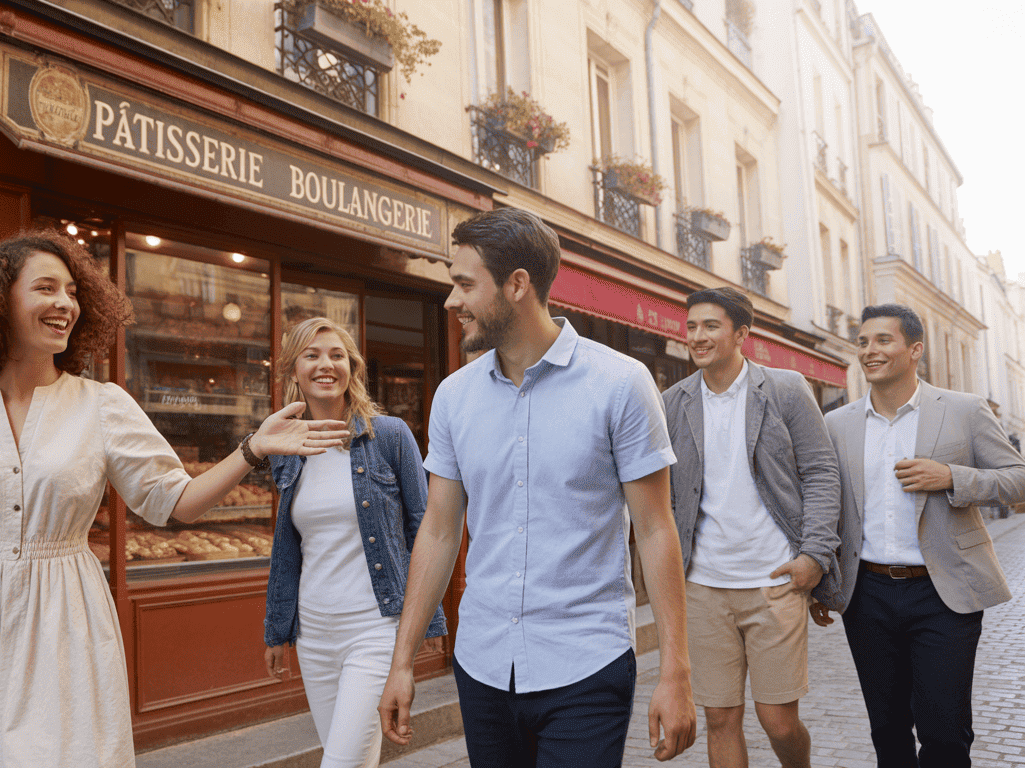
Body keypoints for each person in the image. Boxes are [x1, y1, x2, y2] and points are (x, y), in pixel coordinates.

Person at [0, 231, 349, 768]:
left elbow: (175, 502)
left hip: (70, 622)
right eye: (46, 288)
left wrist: (252, 447)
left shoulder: (101, 404)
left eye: (72, 291)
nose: (64, 303)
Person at [377, 207, 696, 766]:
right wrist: (402, 660)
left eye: (464, 284)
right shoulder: (454, 396)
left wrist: (676, 672)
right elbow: (438, 531)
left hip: (587, 662)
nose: (451, 301)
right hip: (482, 662)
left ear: (517, 284)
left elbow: (654, 529)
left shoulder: (621, 383)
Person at [810, 303, 1025, 767]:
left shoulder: (964, 410)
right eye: (863, 342)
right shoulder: (837, 424)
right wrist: (821, 583)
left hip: (943, 591)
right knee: (887, 730)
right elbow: (827, 510)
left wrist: (952, 476)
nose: (869, 350)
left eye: (883, 340)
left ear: (915, 350)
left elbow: (1018, 478)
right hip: (866, 594)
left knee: (944, 732)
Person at [661, 288, 840, 768]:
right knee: (720, 719)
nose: (698, 336)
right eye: (692, 325)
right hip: (701, 585)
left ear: (742, 333)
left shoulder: (784, 389)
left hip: (775, 580)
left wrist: (814, 557)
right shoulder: (673, 402)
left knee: (778, 719)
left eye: (711, 326)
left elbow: (822, 471)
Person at [262, 317, 446, 768]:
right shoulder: (284, 445)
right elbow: (288, 548)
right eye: (312, 355)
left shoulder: (389, 436)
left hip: (375, 628)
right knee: (352, 759)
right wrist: (276, 628)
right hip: (314, 634)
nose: (326, 365)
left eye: (337, 355)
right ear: (294, 370)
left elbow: (424, 529)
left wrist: (430, 622)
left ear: (352, 368)